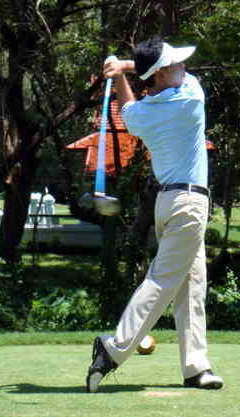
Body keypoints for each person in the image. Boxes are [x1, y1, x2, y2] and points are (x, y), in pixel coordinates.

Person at [86, 37, 223, 393]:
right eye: (176, 63)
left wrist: (120, 73)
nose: (184, 67)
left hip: (167, 204)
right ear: (161, 73)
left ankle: (196, 367)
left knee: (192, 285)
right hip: (189, 204)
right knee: (163, 281)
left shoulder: (142, 115)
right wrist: (126, 68)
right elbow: (156, 78)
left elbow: (129, 107)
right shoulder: (190, 97)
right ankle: (113, 349)